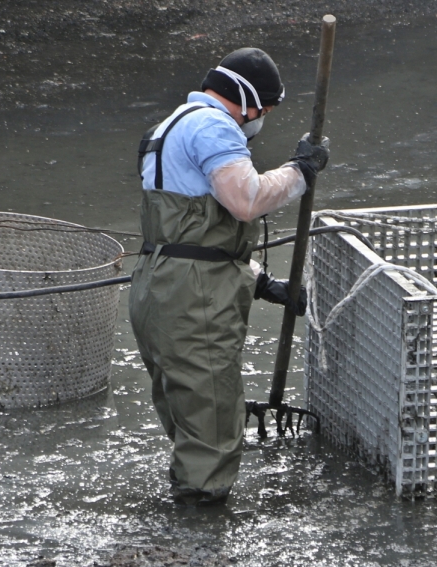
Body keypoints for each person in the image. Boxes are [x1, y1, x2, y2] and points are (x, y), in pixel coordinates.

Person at [129, 47, 330, 506]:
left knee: (188, 415)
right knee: (214, 422)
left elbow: (188, 239)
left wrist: (260, 281)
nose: (264, 119)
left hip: (157, 287)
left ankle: (184, 506)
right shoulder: (214, 125)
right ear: (246, 98)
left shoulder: (168, 128)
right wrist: (299, 171)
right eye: (266, 108)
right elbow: (245, 201)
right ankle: (200, 534)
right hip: (192, 297)